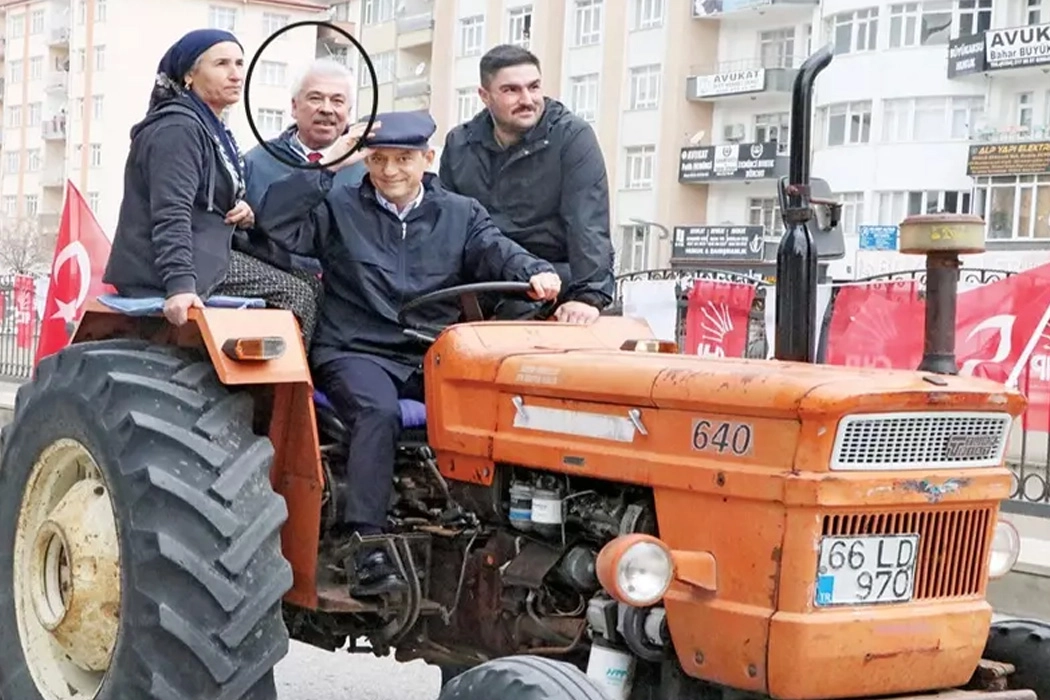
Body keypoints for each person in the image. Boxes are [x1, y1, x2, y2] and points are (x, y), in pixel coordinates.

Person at [251, 110, 562, 596]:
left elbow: (499, 250)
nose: (390, 170)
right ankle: (366, 545)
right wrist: (329, 165)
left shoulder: (460, 214)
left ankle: (495, 530)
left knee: (500, 404)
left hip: (429, 352)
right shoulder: (338, 206)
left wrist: (536, 272)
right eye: (378, 159)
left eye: (403, 159)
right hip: (356, 349)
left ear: (427, 159)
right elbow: (273, 220)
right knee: (377, 411)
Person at [102, 28, 321, 346]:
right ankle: (282, 378)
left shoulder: (208, 126)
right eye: (222, 64)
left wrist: (241, 208)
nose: (236, 75)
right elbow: (171, 212)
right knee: (297, 294)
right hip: (169, 266)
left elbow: (205, 198)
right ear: (189, 74)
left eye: (239, 63)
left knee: (310, 281)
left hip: (206, 251)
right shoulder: (177, 129)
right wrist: (180, 285)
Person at [438, 44, 616, 325]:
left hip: (553, 282)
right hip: (484, 281)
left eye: (533, 87)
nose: (527, 99)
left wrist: (588, 297)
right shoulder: (460, 144)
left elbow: (588, 221)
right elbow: (447, 225)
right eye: (511, 90)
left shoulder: (572, 137)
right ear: (484, 96)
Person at [240, 58, 366, 275]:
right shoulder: (256, 162)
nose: (326, 109)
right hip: (277, 281)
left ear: (349, 111)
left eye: (337, 101)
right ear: (294, 106)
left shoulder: (367, 168)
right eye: (315, 98)